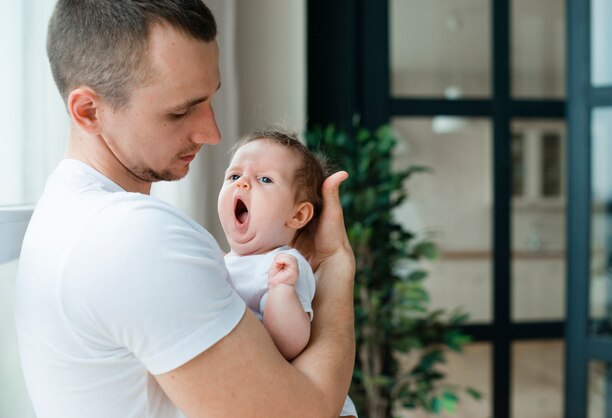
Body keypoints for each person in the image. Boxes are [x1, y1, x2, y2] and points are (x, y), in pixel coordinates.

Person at [14, 1, 355, 417]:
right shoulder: (132, 237)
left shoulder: (64, 211)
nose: (211, 132)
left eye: (209, 100)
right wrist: (336, 265)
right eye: (180, 110)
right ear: (89, 111)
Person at [218, 128, 358, 417]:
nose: (242, 184)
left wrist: (282, 292)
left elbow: (290, 344)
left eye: (264, 179)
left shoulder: (284, 264)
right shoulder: (222, 260)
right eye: (234, 176)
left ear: (297, 215)